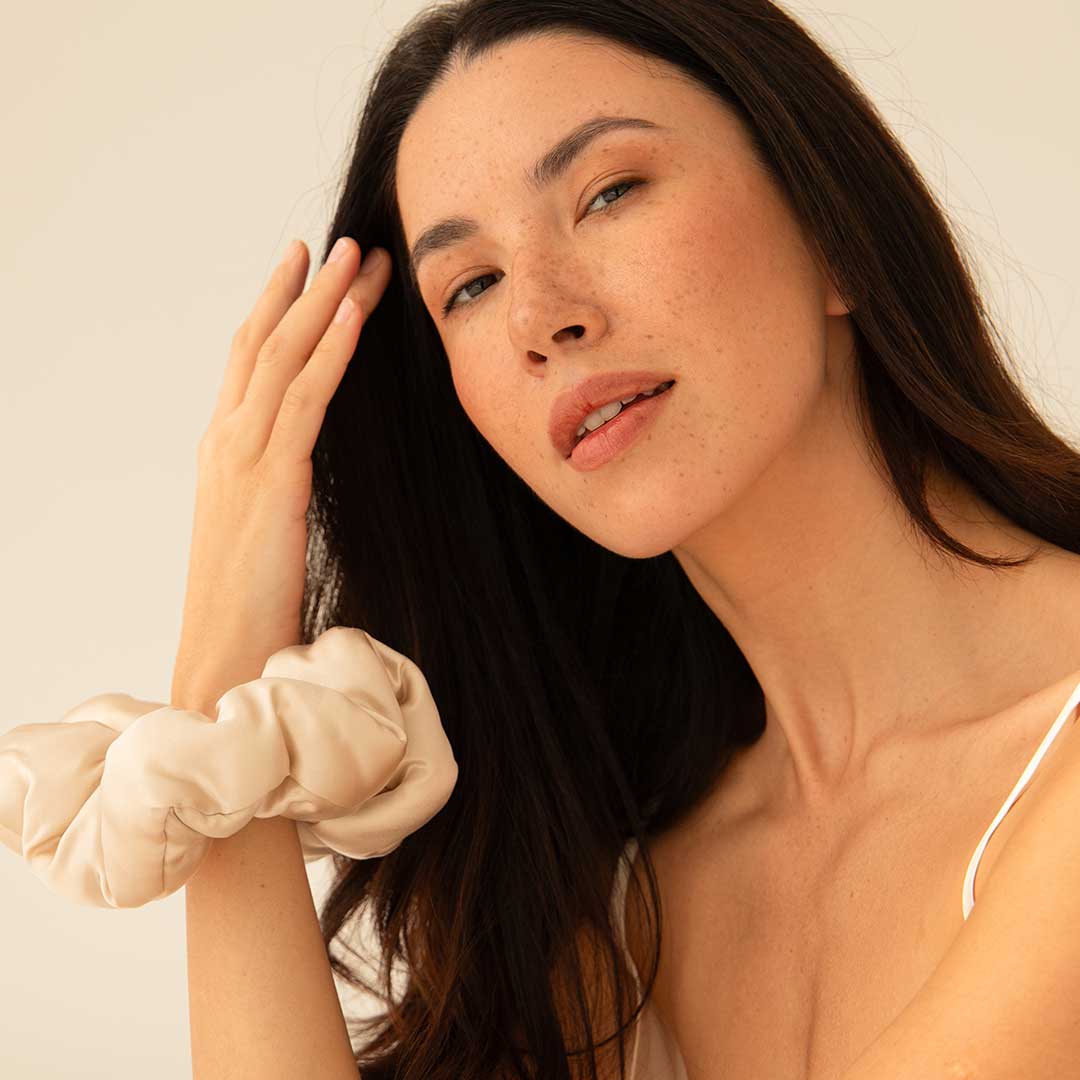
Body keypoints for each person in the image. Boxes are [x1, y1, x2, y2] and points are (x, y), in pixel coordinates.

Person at [3, 1, 1079, 1077]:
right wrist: (221, 694)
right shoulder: (626, 893)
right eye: (471, 285)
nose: (540, 319)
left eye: (608, 193)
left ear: (834, 228)